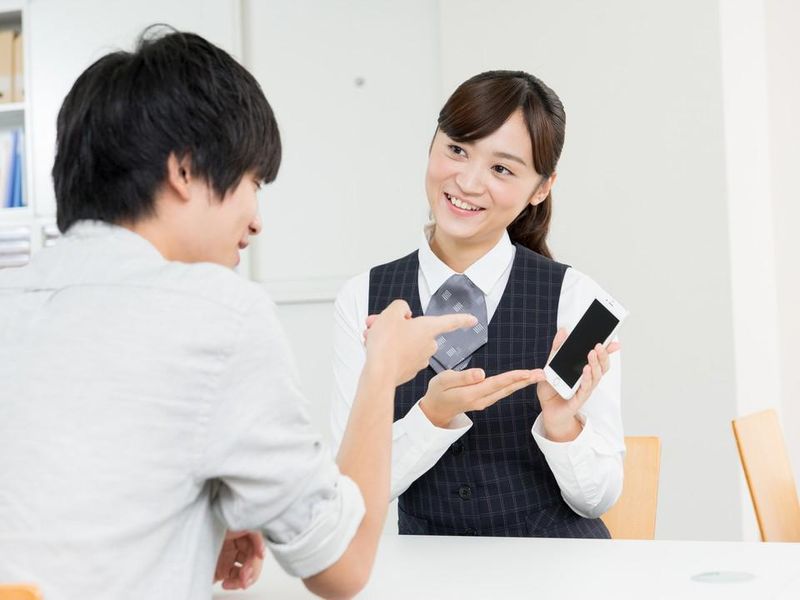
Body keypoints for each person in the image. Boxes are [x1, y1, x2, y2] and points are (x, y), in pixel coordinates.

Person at [0, 28, 475, 600]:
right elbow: (342, 567)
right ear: (184, 170)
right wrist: (383, 371)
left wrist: (199, 518)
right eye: (252, 182)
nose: (256, 220)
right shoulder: (216, 314)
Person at [331, 70, 625, 538]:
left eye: (502, 169)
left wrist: (562, 425)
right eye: (457, 149)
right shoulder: (363, 299)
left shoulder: (580, 303)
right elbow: (349, 492)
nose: (467, 182)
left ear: (541, 187)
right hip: (428, 570)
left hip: (556, 567)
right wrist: (430, 418)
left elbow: (599, 497)